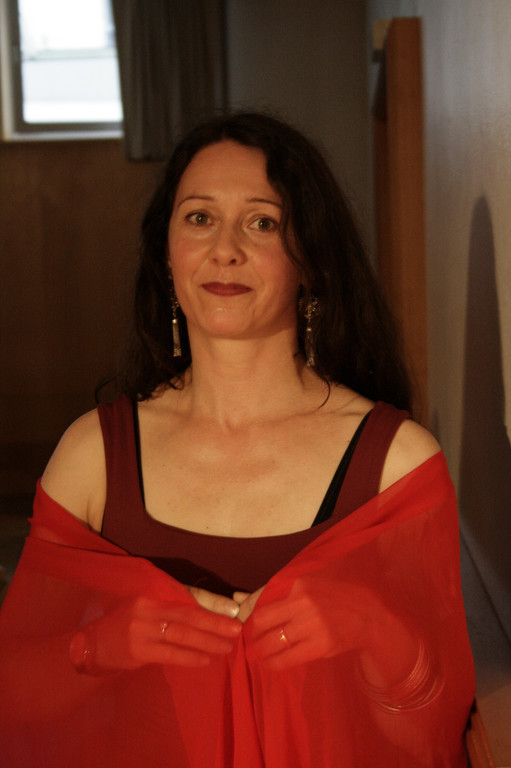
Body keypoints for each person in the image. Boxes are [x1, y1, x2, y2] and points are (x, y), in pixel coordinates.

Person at [0, 112, 474, 767]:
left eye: (262, 223)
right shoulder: (92, 456)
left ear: (311, 258)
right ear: (166, 253)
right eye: (199, 218)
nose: (225, 249)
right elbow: (17, 697)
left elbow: (433, 731)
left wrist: (370, 628)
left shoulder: (398, 463)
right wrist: (101, 646)